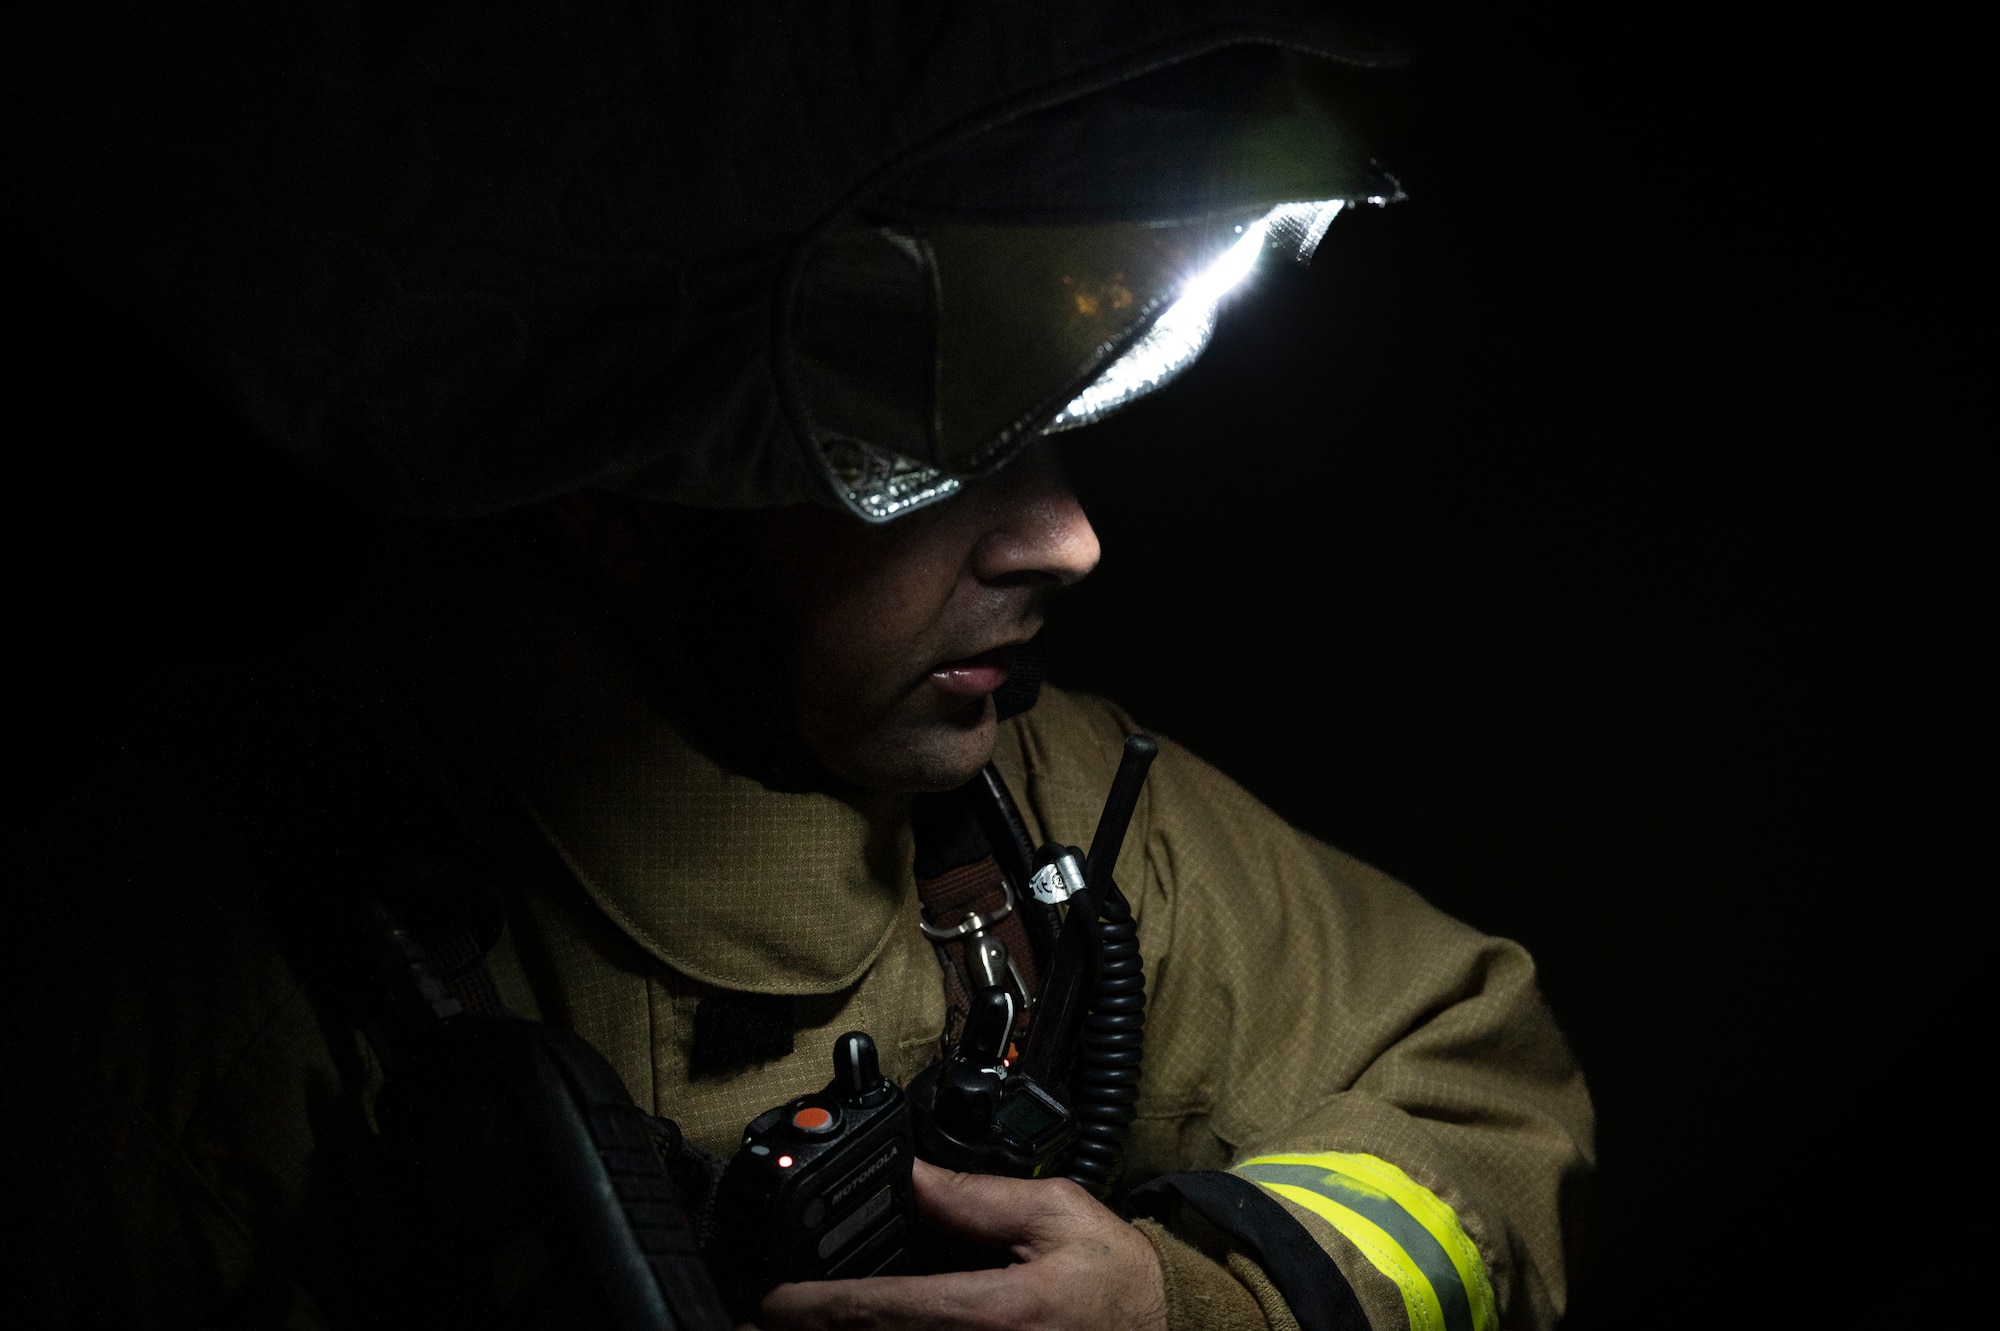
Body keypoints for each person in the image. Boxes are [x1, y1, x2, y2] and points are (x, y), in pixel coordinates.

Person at [6, 4, 1593, 1328]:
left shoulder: (1054, 815)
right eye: (944, 457)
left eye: (1055, 432)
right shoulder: (207, 993)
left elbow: (1479, 1078)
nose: (1071, 541)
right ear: (630, 506)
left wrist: (1188, 1305)